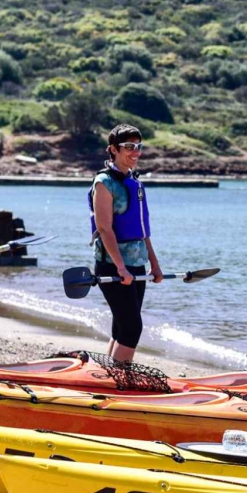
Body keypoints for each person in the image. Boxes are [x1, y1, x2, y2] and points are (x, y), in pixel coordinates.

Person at [88, 124, 164, 362]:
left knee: (122, 325)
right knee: (132, 328)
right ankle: (121, 377)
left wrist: (154, 264)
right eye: (129, 146)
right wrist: (120, 267)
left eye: (138, 147)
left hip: (137, 264)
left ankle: (110, 373)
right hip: (112, 265)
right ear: (113, 149)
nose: (135, 152)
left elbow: (142, 230)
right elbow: (104, 228)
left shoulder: (134, 181)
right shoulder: (104, 183)